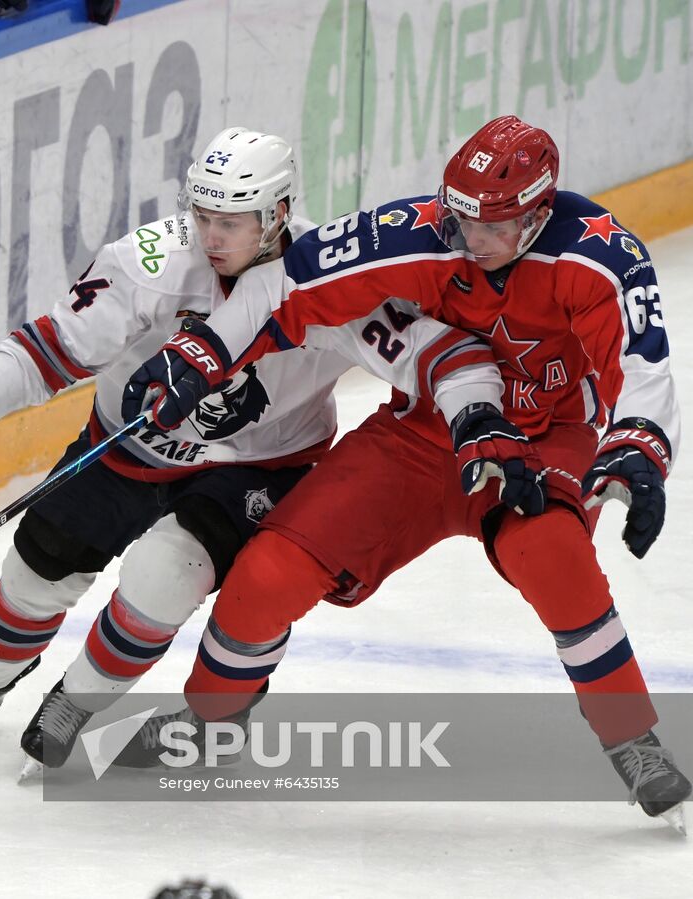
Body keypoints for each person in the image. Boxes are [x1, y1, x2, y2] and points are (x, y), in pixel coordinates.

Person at [120, 115, 690, 827]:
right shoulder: (423, 230)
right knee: (269, 571)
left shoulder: (601, 255)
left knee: (552, 555)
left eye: (489, 228)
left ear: (539, 215)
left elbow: (642, 365)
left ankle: (633, 737)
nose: (466, 239)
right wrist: (202, 353)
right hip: (424, 434)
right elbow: (286, 284)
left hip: (542, 440)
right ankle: (208, 716)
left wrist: (637, 450)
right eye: (459, 217)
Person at [0, 126, 504, 769]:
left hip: (259, 465)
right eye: (202, 216)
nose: (211, 237)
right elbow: (53, 347)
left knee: (166, 571)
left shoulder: (330, 276)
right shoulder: (150, 260)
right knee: (40, 558)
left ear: (278, 215)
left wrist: (480, 421)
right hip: (132, 445)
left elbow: (436, 357)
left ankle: (79, 698)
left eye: (232, 223)